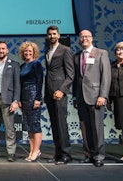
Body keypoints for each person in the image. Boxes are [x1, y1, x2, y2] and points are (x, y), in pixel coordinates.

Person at [72, 30, 111, 167]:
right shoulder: (76, 56)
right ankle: (88, 154)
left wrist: (103, 95)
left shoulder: (101, 53)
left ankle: (99, 156)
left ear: (92, 38)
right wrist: (75, 96)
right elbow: (76, 79)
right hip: (81, 98)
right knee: (85, 128)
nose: (84, 39)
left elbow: (106, 77)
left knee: (97, 128)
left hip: (96, 97)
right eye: (81, 37)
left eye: (86, 36)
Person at [44, 26, 75, 164]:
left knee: (61, 123)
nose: (52, 36)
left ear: (59, 35)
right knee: (54, 124)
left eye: (54, 34)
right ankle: (57, 153)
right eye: (49, 34)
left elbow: (70, 75)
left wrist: (62, 90)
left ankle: (66, 154)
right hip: (49, 92)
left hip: (59, 92)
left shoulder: (65, 50)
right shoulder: (48, 51)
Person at [18, 41, 43, 162]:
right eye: (25, 51)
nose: (27, 53)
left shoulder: (36, 64)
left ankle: (37, 150)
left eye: (30, 51)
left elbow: (40, 81)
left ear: (34, 52)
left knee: (35, 124)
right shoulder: (22, 66)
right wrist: (20, 100)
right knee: (28, 125)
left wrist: (38, 98)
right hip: (24, 97)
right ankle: (32, 150)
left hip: (34, 95)